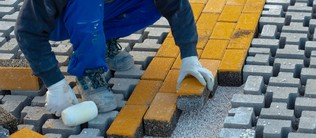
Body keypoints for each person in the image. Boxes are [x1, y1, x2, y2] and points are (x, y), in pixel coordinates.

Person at [15, 0, 214, 117]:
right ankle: (88, 72)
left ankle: (103, 41)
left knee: (151, 5)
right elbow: (27, 30)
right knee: (87, 5)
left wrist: (190, 57)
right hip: (62, 19)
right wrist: (55, 83)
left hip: (99, 10)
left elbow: (176, 5)